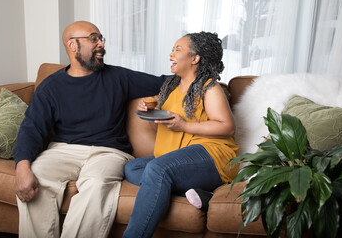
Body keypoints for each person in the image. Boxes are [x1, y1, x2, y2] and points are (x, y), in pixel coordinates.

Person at [13, 21, 166, 238]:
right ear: (72, 45)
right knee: (36, 177)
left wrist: (204, 83)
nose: (101, 44)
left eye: (101, 38)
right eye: (94, 38)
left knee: (96, 184)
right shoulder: (51, 86)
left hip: (109, 152)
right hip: (63, 150)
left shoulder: (118, 77)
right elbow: (31, 128)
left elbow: (164, 83)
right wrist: (22, 167)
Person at [122, 31, 240, 238]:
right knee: (132, 167)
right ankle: (204, 194)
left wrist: (184, 126)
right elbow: (168, 111)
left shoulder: (209, 88)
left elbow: (227, 126)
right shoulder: (171, 86)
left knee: (157, 170)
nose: (171, 54)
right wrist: (148, 107)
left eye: (178, 49)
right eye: (172, 49)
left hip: (213, 155)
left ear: (195, 58)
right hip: (181, 157)